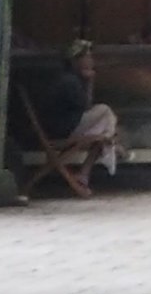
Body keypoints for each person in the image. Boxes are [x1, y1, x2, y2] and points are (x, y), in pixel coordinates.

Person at [22, 41, 122, 194]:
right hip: (61, 131)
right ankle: (112, 142)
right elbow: (86, 106)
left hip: (66, 127)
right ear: (76, 61)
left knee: (101, 132)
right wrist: (90, 82)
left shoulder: (70, 79)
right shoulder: (69, 81)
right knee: (105, 111)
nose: (91, 61)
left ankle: (84, 173)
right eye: (87, 57)